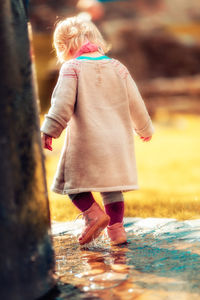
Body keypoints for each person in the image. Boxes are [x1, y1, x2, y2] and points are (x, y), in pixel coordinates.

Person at [41, 16, 154, 246]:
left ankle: (93, 214)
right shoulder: (118, 67)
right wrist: (144, 128)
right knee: (112, 188)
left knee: (71, 184)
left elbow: (61, 104)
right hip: (117, 143)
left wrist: (50, 130)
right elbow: (136, 102)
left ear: (64, 47)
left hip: (87, 141)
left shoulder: (71, 68)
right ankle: (117, 230)